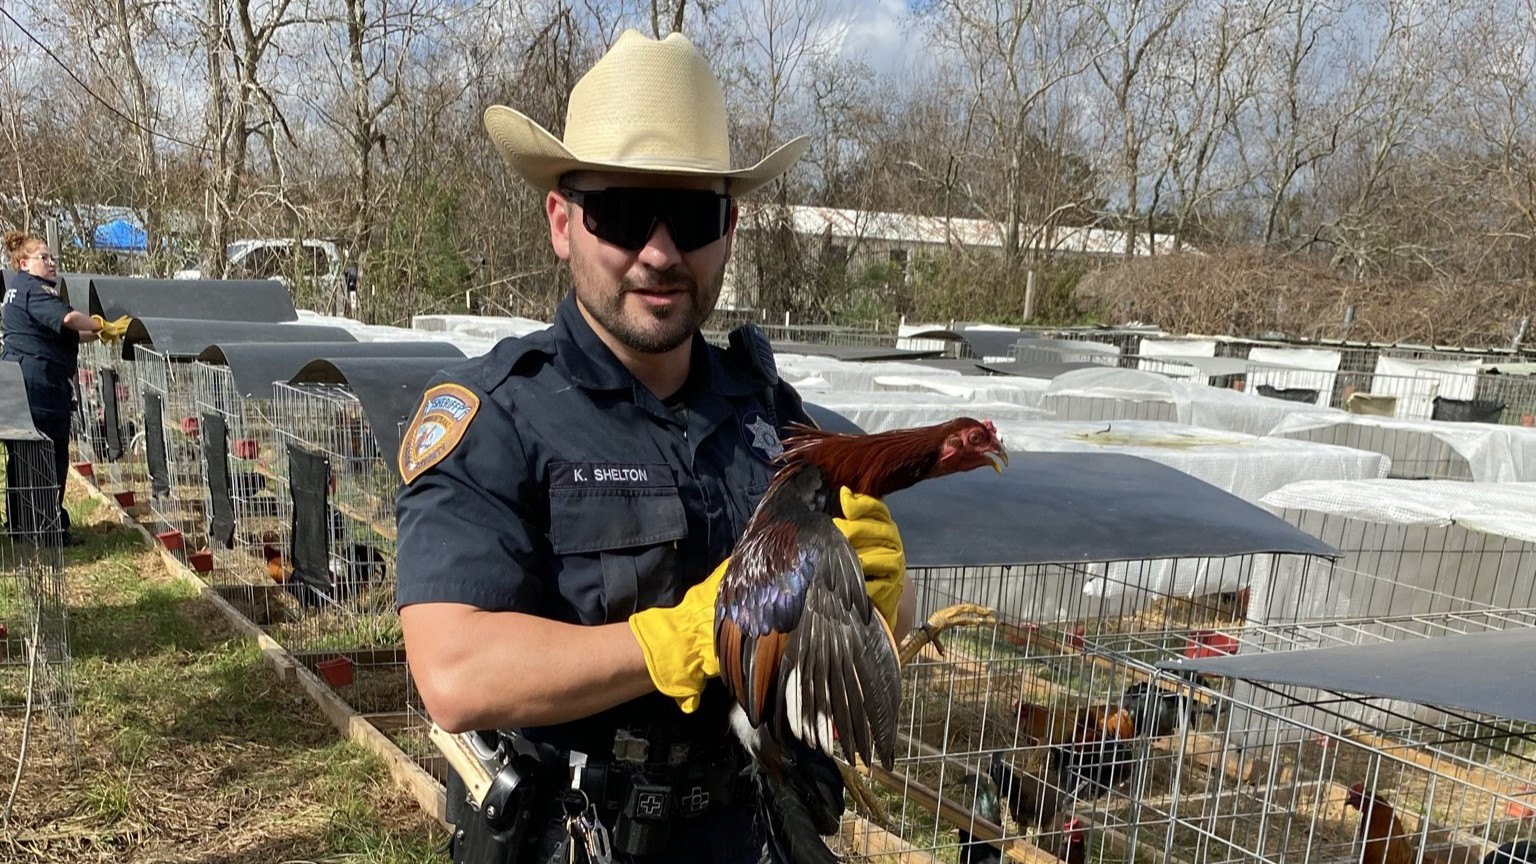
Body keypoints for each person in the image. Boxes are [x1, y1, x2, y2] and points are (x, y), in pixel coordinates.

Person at [394, 30, 916, 864]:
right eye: (626, 213)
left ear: (731, 228)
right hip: (580, 835)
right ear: (562, 221)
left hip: (756, 825)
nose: (662, 253)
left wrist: (868, 606)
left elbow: (838, 664)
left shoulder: (775, 421)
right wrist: (679, 637)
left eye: (694, 215)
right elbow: (456, 673)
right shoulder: (497, 417)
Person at [0, 230, 124, 543]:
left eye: (52, 257)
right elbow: (68, 319)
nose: (52, 263)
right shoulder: (34, 290)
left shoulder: (18, 290)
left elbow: (60, 332)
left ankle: (21, 525)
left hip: (20, 383)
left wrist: (97, 334)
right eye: (44, 258)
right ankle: (46, 529)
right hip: (38, 385)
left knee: (23, 457)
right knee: (47, 456)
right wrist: (101, 323)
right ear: (24, 263)